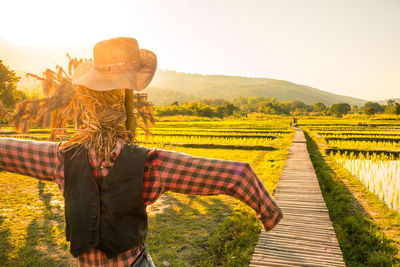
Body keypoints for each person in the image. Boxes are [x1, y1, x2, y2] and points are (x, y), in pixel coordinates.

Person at [0, 37, 282, 266]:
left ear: (87, 97)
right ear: (127, 99)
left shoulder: (62, 158)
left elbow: (8, 150)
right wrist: (267, 211)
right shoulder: (148, 164)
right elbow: (235, 175)